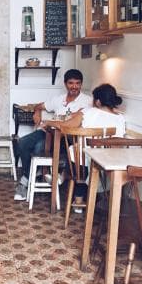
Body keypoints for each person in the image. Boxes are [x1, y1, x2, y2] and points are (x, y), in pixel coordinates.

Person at [44, 83, 126, 211]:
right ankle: (69, 182)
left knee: (76, 152)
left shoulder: (88, 112)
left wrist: (48, 121)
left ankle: (71, 189)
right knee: (81, 155)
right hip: (109, 164)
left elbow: (66, 126)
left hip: (84, 164)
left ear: (98, 102)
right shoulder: (120, 118)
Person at [14, 69, 92, 201]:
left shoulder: (87, 101)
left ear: (81, 84)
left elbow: (77, 119)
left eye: (77, 83)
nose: (74, 86)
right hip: (48, 132)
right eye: (71, 83)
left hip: (68, 138)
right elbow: (39, 106)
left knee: (39, 147)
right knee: (22, 143)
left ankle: (29, 180)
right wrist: (36, 112)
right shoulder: (59, 99)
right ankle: (30, 176)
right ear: (65, 84)